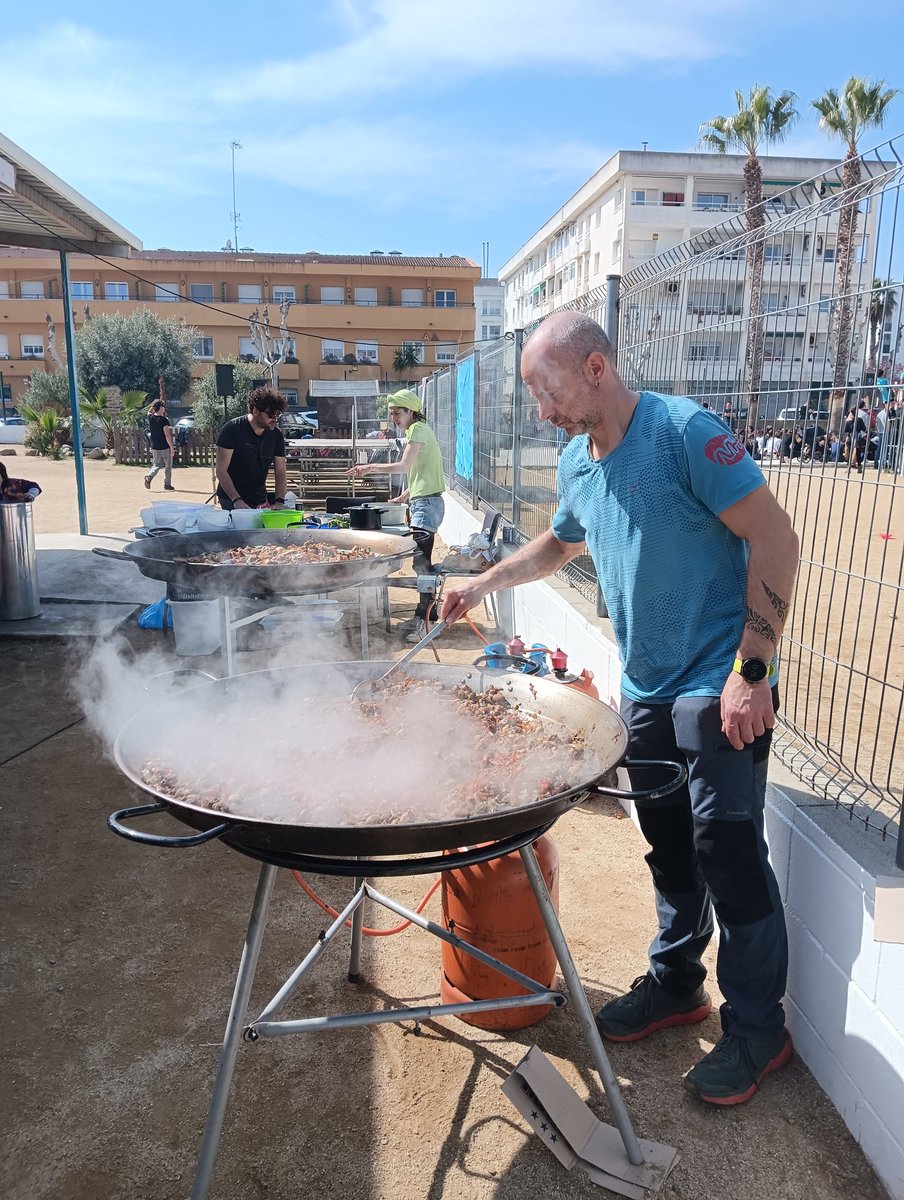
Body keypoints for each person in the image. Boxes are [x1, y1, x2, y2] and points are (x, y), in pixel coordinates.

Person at [441, 312, 800, 1106]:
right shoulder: (578, 462)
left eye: (547, 389)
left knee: (728, 852)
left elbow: (775, 538)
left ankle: (758, 1029)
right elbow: (558, 545)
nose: (541, 410)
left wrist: (753, 668)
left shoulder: (685, 435)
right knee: (668, 847)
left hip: (717, 679)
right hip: (646, 683)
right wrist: (482, 582)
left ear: (596, 368)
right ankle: (678, 985)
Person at [348, 389, 444, 643]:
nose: (393, 418)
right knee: (421, 562)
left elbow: (403, 466)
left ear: (411, 412)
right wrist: (404, 497)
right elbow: (423, 472)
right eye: (391, 413)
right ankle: (426, 615)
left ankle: (423, 621)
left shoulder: (418, 430)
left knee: (422, 564)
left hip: (427, 505)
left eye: (397, 413)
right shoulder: (419, 431)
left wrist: (369, 467)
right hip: (424, 502)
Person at [215, 386, 288, 510]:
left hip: (258, 498)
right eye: (271, 414)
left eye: (277, 415)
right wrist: (236, 500)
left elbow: (280, 471)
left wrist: (279, 501)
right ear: (255, 411)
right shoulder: (232, 429)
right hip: (231, 498)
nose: (274, 419)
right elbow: (221, 470)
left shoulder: (276, 435)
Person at [144, 399, 175, 491]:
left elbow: (149, 412)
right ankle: (167, 484)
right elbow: (167, 435)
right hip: (164, 446)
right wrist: (171, 447)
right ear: (160, 408)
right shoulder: (164, 420)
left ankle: (149, 476)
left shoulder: (151, 418)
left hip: (155, 446)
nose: (164, 408)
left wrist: (154, 404)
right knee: (168, 465)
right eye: (163, 406)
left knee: (157, 464)